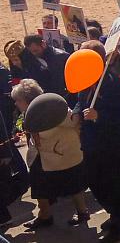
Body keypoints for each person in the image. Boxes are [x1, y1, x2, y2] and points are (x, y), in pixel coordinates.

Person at [11, 80, 89, 230]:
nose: (15, 104)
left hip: (63, 153)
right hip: (43, 155)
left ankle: (82, 212)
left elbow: (73, 122)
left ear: (28, 100)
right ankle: (45, 215)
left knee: (72, 183)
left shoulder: (54, 107)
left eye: (18, 100)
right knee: (38, 182)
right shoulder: (29, 113)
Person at [75, 41, 120, 243]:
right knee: (94, 181)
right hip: (91, 143)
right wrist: (76, 114)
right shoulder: (85, 81)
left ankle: (119, 224)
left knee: (113, 182)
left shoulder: (112, 82)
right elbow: (80, 102)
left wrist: (98, 115)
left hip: (111, 143)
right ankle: (118, 211)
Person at [20, 35, 73, 106]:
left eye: (36, 50)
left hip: (64, 98)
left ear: (43, 44)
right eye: (31, 51)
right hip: (44, 98)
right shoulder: (29, 57)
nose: (34, 54)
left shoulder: (61, 57)